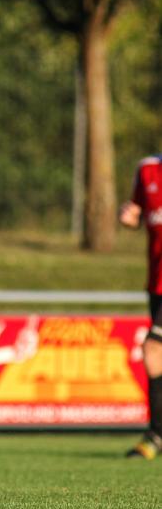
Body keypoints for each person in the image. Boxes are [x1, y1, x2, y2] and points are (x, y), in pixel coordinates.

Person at [119, 153, 162, 459]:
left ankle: (155, 435)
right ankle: (157, 435)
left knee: (153, 349)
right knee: (157, 357)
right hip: (156, 281)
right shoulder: (147, 169)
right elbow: (137, 212)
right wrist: (130, 218)